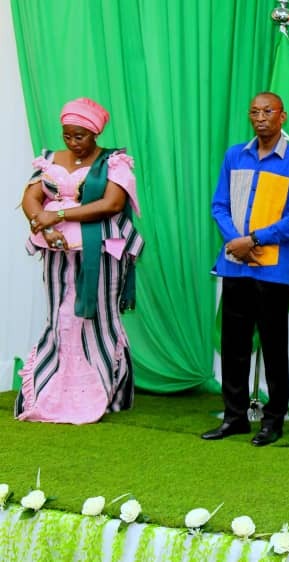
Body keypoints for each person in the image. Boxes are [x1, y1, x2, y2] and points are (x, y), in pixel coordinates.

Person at [16, 97, 143, 424]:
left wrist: (57, 214)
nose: (73, 142)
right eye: (67, 135)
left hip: (101, 249)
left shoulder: (113, 161)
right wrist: (43, 227)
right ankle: (51, 388)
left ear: (94, 133)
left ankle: (102, 390)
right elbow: (31, 198)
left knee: (99, 317)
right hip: (56, 249)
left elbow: (112, 204)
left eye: (80, 136)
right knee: (60, 315)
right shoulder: (49, 159)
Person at [202, 92, 289, 446]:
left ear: (282, 117)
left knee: (273, 347)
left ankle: (273, 421)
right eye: (254, 112)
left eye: (268, 111)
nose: (260, 117)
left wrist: (252, 240)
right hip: (235, 267)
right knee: (233, 345)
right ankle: (234, 417)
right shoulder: (235, 155)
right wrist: (235, 241)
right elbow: (219, 206)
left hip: (272, 271)